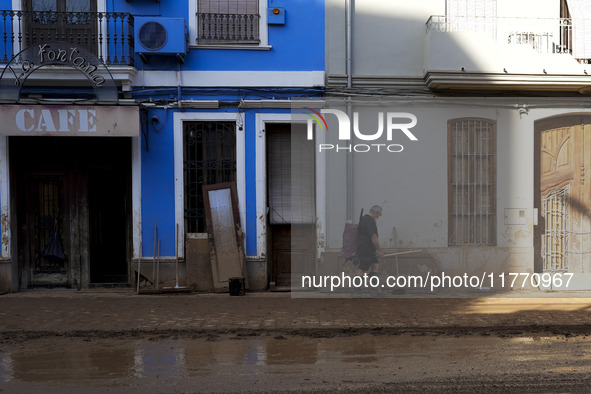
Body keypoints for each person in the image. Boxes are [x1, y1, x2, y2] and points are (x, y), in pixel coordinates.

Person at [356, 205, 384, 280]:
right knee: (363, 269)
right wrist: (380, 250)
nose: (379, 216)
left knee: (375, 265)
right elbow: (373, 237)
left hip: (369, 249)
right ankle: (357, 289)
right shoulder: (369, 220)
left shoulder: (365, 219)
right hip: (366, 249)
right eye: (379, 214)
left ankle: (374, 288)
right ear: (375, 212)